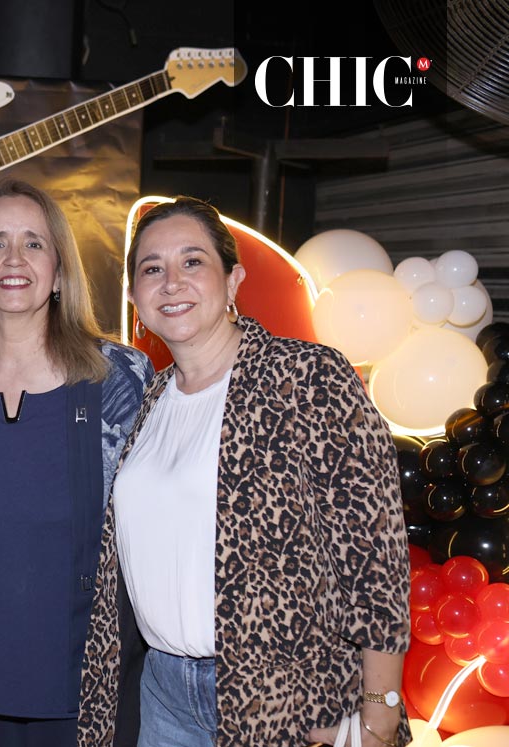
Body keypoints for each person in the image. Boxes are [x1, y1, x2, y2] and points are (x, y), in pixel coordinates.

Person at [77, 197, 411, 747]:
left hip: (289, 698)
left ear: (233, 280)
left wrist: (379, 718)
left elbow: (375, 558)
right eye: (152, 269)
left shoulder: (306, 378)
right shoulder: (151, 400)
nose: (171, 282)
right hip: (163, 692)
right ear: (135, 297)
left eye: (193, 262)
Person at [0, 179, 152, 747]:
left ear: (60, 270)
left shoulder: (121, 378)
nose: (14, 259)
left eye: (33, 243)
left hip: (89, 673)